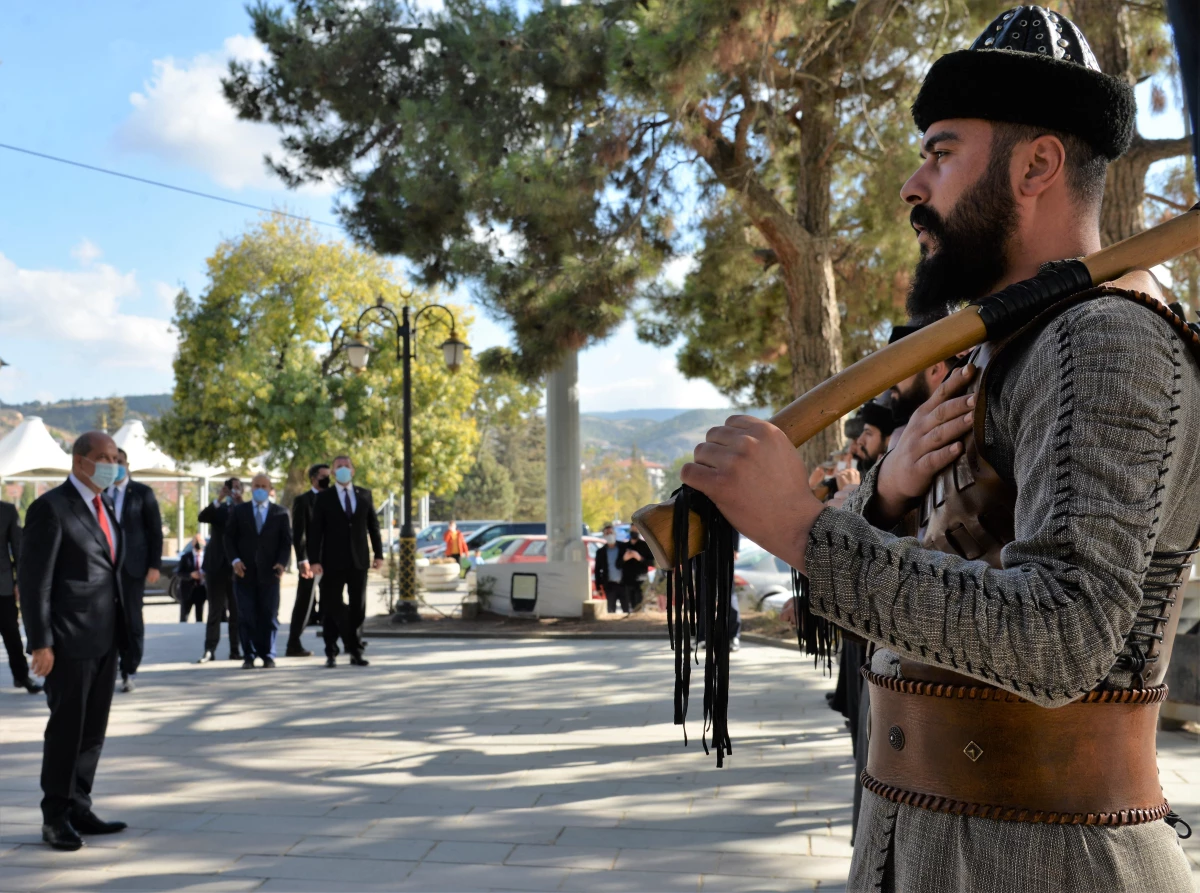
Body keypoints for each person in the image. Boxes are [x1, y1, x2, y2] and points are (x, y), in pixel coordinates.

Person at [681, 8, 1198, 889]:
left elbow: (1061, 638)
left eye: (941, 151)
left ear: (1037, 164)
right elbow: (897, 611)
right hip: (918, 847)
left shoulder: (1106, 340)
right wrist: (883, 494)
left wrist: (804, 528)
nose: (912, 185)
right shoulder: (1004, 348)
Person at [20, 431, 129, 851]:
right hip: (67, 642)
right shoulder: (51, 509)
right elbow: (35, 583)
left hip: (105, 639)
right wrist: (41, 642)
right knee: (67, 729)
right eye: (103, 457)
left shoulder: (107, 506)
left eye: (116, 457)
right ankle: (56, 817)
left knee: (93, 732)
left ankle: (81, 805)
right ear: (80, 461)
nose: (112, 463)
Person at [308, 456, 383, 668]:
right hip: (331, 561)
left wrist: (378, 554)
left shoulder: (364, 495)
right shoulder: (324, 498)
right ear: (332, 472)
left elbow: (373, 527)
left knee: (358, 606)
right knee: (332, 605)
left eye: (346, 466)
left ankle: (354, 651)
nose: (342, 469)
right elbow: (315, 532)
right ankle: (332, 650)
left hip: (359, 560)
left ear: (353, 471)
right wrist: (314, 560)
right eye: (338, 466)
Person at [109, 449, 163, 693]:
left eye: (119, 462)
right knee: (108, 619)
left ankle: (129, 668)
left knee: (131, 618)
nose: (115, 466)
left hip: (133, 568)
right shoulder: (101, 493)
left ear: (127, 464)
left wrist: (154, 565)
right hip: (106, 569)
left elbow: (155, 532)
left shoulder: (142, 493)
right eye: (111, 461)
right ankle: (109, 667)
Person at [225, 474, 292, 669]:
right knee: (246, 615)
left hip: (270, 573)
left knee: (269, 615)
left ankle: (268, 655)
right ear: (251, 488)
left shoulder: (280, 513)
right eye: (256, 485)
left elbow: (286, 542)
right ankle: (249, 655)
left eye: (264, 486)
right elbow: (228, 539)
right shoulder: (239, 511)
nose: (260, 489)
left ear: (270, 489)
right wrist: (235, 560)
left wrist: (282, 563)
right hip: (244, 573)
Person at [196, 479, 243, 663]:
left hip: (237, 566)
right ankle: (209, 649)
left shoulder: (245, 509)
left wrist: (240, 502)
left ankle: (235, 649)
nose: (234, 491)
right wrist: (219, 498)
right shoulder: (219, 510)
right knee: (215, 610)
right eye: (231, 488)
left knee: (236, 611)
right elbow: (202, 517)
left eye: (238, 487)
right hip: (216, 565)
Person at [286, 463, 329, 657]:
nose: (327, 479)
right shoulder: (303, 501)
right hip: (311, 563)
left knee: (334, 601)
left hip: (332, 559)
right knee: (305, 602)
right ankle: (293, 643)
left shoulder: (334, 499)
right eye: (323, 476)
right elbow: (299, 533)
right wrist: (302, 560)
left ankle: (343, 641)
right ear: (313, 478)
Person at [0, 497, 40, 694]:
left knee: (11, 633)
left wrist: (19, 583)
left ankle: (21, 676)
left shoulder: (7, 511)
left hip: (3, 586)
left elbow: (18, 548)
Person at [616, 527, 653, 612]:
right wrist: (624, 558)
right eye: (632, 530)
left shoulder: (645, 545)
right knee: (631, 606)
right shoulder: (624, 546)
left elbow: (652, 562)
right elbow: (617, 565)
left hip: (641, 580)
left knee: (639, 606)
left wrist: (640, 558)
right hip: (628, 581)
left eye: (636, 530)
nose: (634, 532)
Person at [593, 523, 626, 614]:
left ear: (615, 534)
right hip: (610, 585)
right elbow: (597, 570)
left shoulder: (623, 547)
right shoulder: (600, 552)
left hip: (624, 584)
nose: (609, 535)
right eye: (607, 533)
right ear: (604, 536)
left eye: (611, 533)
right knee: (611, 610)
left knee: (626, 609)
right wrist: (598, 587)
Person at [177, 534, 206, 623]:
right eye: (196, 541)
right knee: (184, 617)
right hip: (187, 590)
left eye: (200, 541)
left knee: (199, 617)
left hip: (201, 590)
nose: (198, 543)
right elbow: (179, 573)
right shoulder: (185, 557)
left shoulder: (207, 557)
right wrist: (190, 575)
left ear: (204, 543)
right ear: (192, 543)